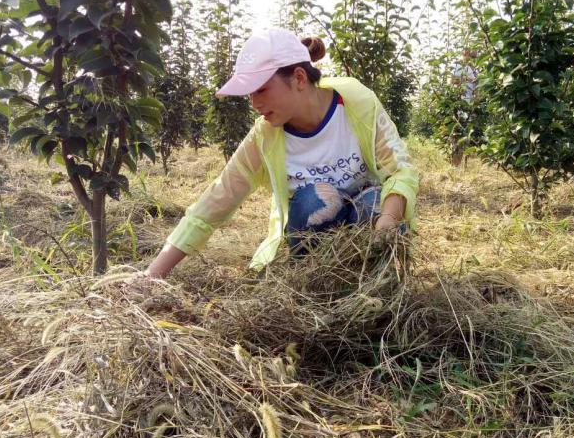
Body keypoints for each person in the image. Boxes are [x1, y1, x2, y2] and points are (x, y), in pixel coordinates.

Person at [145, 27, 419, 278]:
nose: (254, 103)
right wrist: (152, 276)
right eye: (250, 94)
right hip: (317, 258)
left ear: (299, 78)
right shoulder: (265, 137)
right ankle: (314, 288)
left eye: (262, 89)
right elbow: (214, 202)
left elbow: (400, 171)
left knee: (375, 203)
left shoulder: (357, 105)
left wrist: (387, 221)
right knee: (314, 201)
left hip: (369, 224)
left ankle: (379, 287)